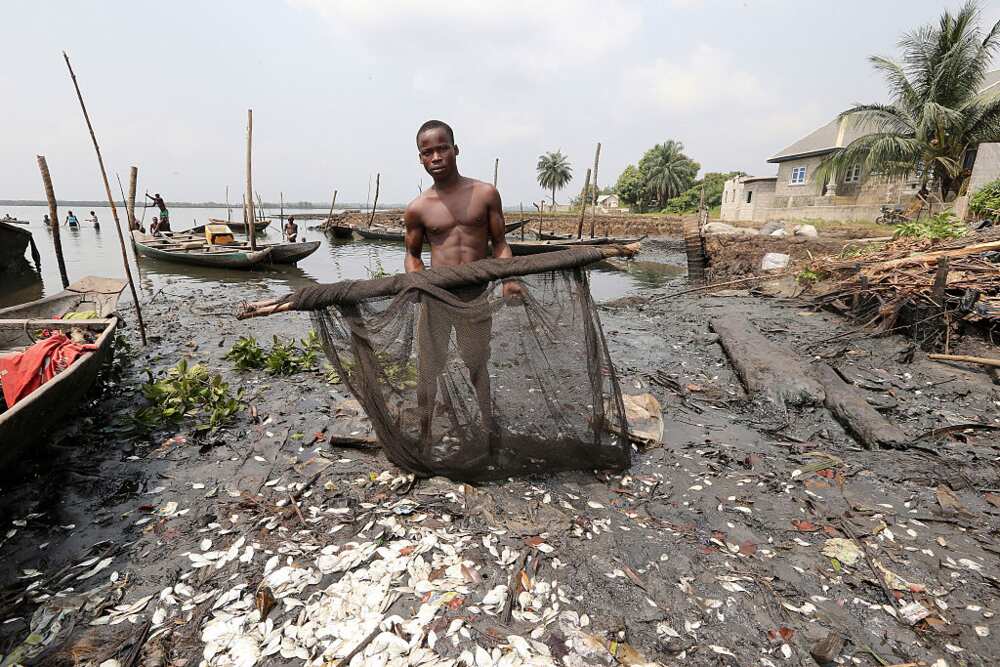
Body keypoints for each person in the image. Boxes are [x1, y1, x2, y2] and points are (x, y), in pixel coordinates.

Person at [403, 119, 521, 452]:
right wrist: (417, 281)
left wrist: (509, 278)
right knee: (429, 367)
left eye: (442, 148)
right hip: (437, 297)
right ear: (421, 159)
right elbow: (412, 256)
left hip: (474, 296)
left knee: (477, 362)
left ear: (456, 150)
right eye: (428, 152)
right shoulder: (418, 208)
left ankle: (487, 425)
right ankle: (425, 434)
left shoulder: (484, 194)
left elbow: (499, 244)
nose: (436, 157)